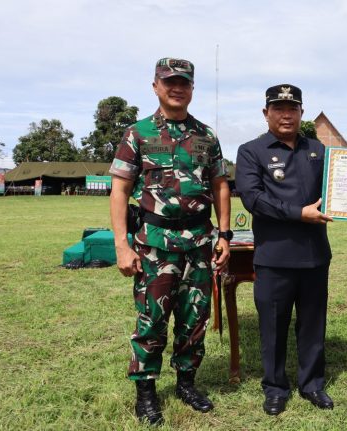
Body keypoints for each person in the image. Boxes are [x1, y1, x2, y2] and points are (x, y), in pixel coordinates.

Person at [109, 58, 231, 426]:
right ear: (156, 86)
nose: (177, 88)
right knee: (152, 319)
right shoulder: (138, 133)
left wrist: (224, 235)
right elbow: (120, 190)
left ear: (192, 88)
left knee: (195, 318)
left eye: (184, 83)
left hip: (199, 243)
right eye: (169, 82)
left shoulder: (206, 136)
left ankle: (186, 384)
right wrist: (121, 245)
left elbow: (220, 185)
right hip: (155, 244)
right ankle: (146, 392)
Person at [235, 84, 334, 416]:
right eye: (278, 108)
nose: (286, 114)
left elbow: (335, 190)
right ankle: (275, 388)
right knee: (273, 327)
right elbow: (253, 199)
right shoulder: (251, 151)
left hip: (314, 255)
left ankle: (312, 384)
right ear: (266, 113)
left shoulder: (318, 150)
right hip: (274, 256)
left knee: (313, 325)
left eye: (293, 108)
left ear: (302, 113)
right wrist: (298, 213)